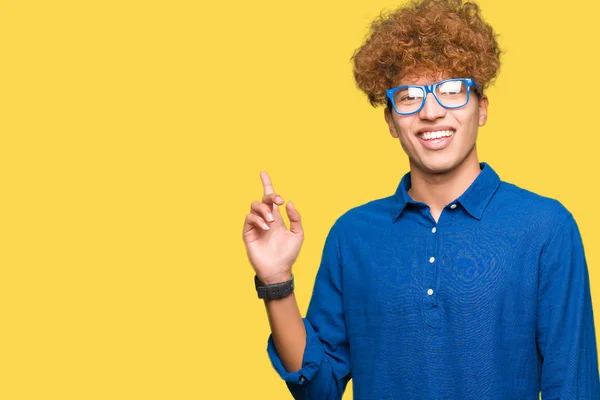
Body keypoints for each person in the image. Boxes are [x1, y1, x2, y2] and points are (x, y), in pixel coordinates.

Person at [241, 0, 600, 398]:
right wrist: (277, 281)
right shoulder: (352, 235)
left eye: (451, 91)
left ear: (481, 109)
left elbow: (573, 386)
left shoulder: (546, 227)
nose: (431, 111)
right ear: (392, 121)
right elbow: (317, 389)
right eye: (410, 96)